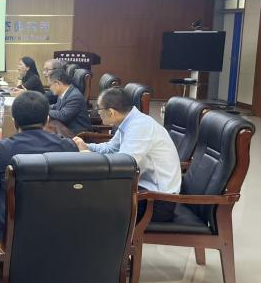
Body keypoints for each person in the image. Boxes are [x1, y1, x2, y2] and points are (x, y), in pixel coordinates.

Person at [0, 91, 78, 238]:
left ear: (14, 121)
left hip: (11, 239)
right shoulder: (68, 147)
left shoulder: (2, 149)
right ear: (47, 120)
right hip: (58, 235)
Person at [72, 87, 181, 222]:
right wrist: (86, 146)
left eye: (98, 109)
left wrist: (89, 156)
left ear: (111, 112)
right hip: (143, 190)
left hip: (158, 202)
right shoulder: (130, 121)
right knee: (88, 195)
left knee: (91, 202)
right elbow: (111, 148)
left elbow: (123, 166)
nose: (97, 113)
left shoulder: (140, 126)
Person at [48, 68, 92, 135]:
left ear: (57, 83)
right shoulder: (64, 93)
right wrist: (43, 106)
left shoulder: (74, 96)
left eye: (50, 85)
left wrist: (45, 111)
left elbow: (63, 115)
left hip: (78, 134)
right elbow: (56, 106)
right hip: (65, 128)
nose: (50, 88)